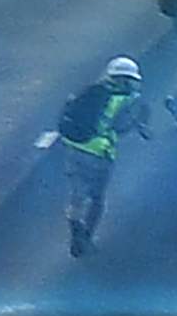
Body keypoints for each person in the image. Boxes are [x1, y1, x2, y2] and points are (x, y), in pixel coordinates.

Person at [54, 57, 148, 259]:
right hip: (101, 154)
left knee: (76, 194)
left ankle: (75, 228)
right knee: (97, 198)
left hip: (75, 149)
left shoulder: (89, 91)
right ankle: (87, 237)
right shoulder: (126, 100)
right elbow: (120, 127)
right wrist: (136, 123)